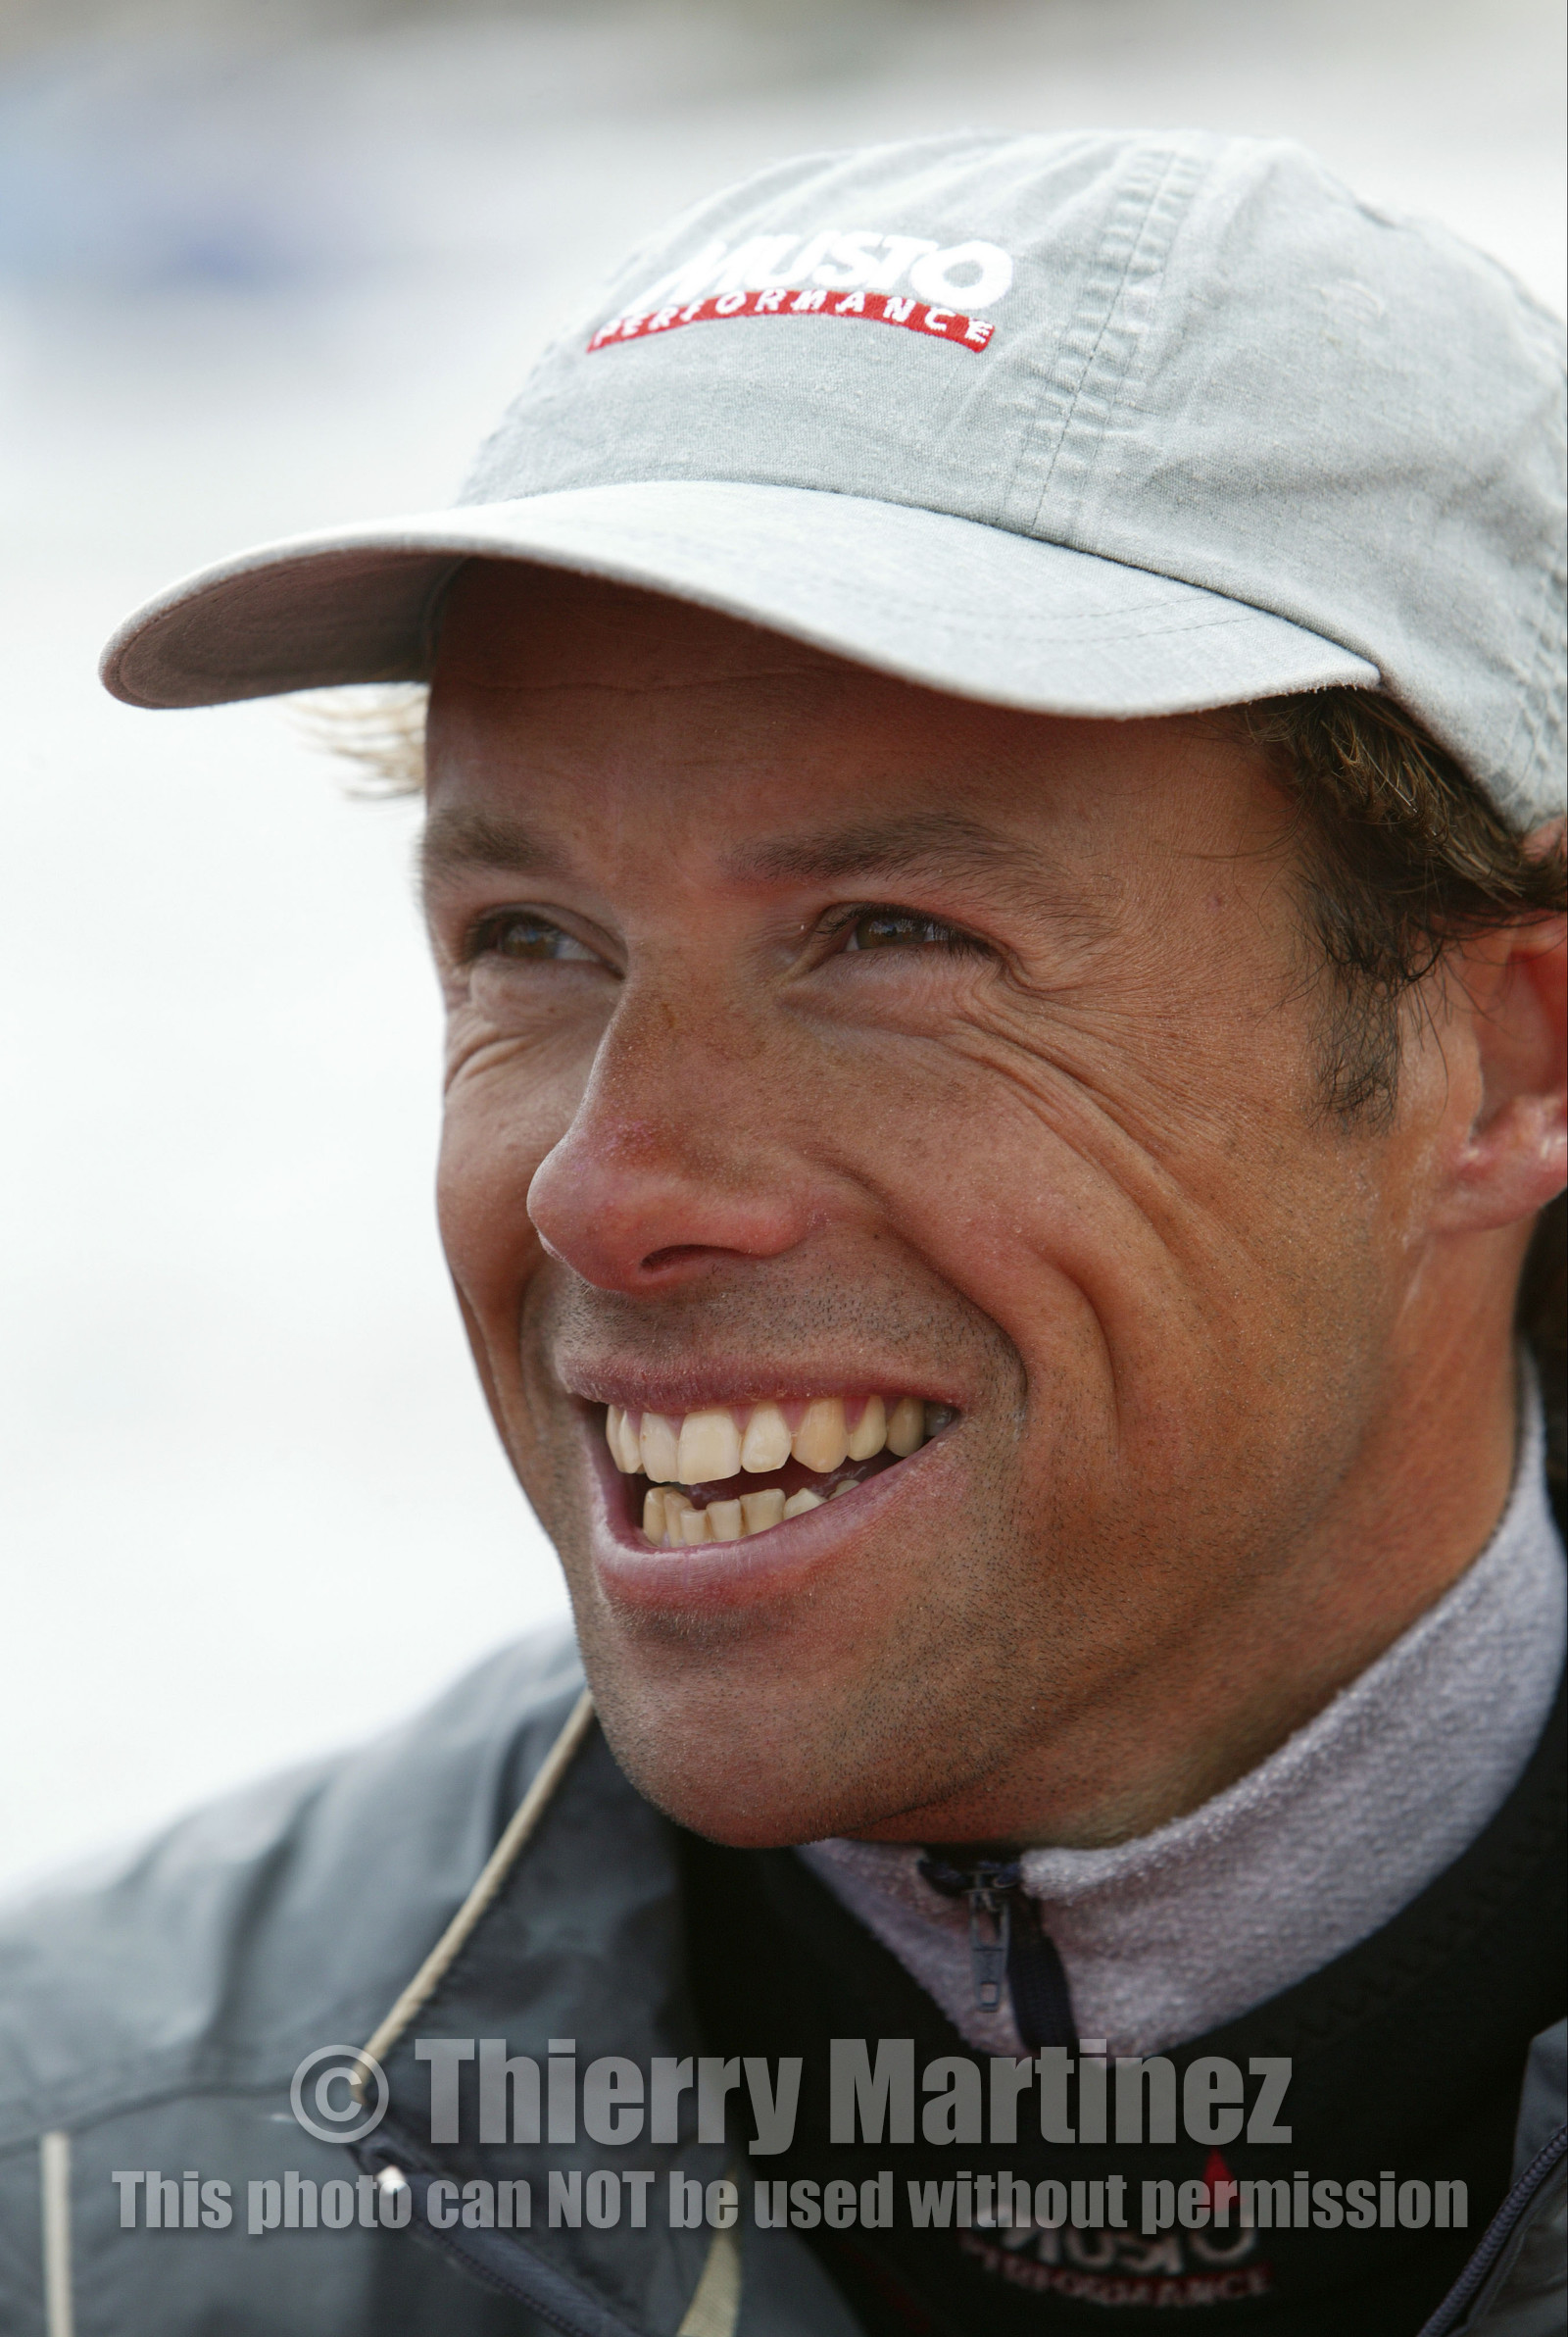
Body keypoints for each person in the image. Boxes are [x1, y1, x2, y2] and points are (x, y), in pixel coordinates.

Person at [1, 129, 1562, 2337]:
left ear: (1505, 1061)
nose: (607, 1193)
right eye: (528, 936)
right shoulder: (78, 2180)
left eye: (891, 937)